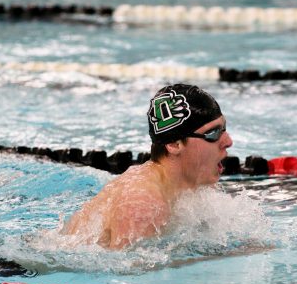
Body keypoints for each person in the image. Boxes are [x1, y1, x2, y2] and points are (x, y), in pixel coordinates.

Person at [62, 84, 233, 249]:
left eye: (224, 129)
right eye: (213, 133)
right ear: (174, 144)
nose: (228, 141)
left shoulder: (194, 185)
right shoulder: (143, 205)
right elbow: (127, 271)